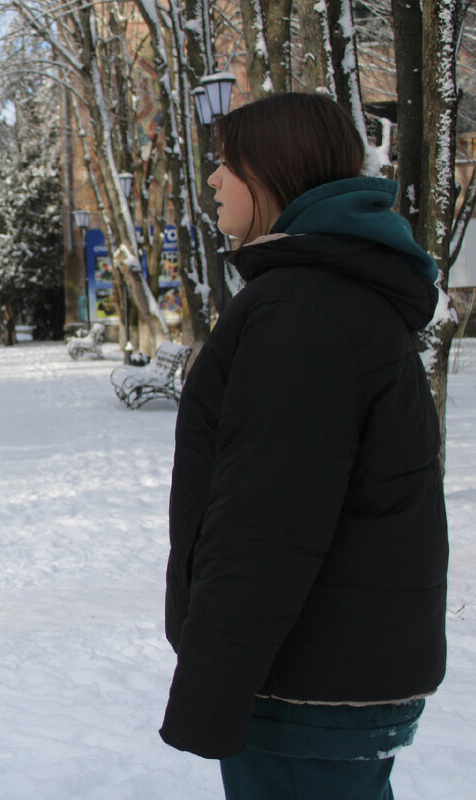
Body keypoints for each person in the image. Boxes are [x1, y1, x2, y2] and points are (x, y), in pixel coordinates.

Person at [160, 91, 448, 799]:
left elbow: (265, 519)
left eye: (228, 163)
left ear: (273, 172)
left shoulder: (301, 310)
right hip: (337, 670)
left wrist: (212, 682)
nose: (213, 180)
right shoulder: (333, 293)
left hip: (305, 681)